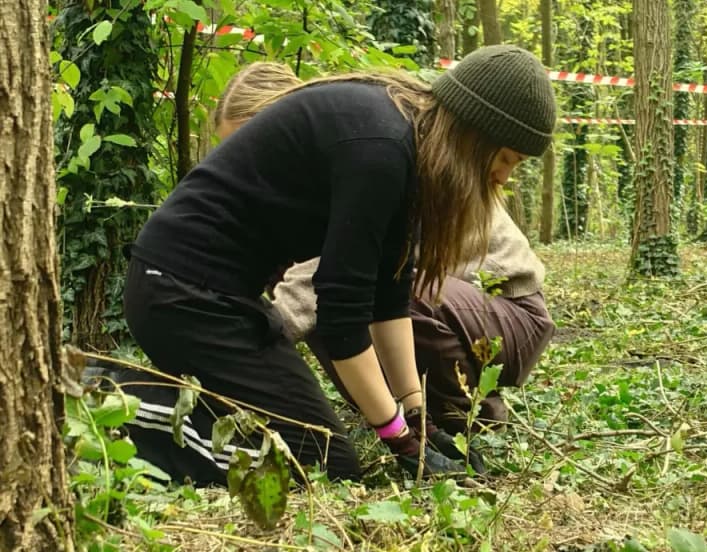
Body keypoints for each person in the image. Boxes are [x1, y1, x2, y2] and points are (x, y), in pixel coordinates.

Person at [121, 45, 556, 486]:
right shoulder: (380, 148)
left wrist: (416, 415)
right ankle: (123, 413)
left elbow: (389, 294)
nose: (503, 177)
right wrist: (398, 438)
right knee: (323, 463)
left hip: (225, 300)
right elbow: (342, 314)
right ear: (473, 134)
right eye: (504, 159)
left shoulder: (406, 146)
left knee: (319, 452)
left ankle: (184, 409)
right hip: (181, 293)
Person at [212, 62, 556, 436]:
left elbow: (334, 277)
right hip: (450, 301)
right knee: (314, 283)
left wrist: (241, 349)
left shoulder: (378, 155)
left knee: (372, 291)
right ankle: (386, 406)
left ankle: (457, 417)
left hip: (510, 310)